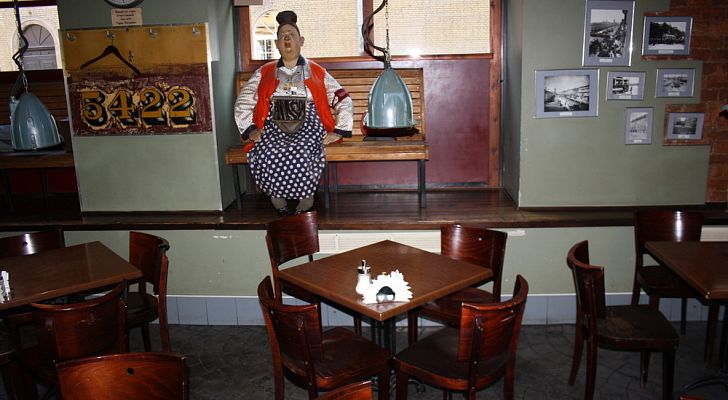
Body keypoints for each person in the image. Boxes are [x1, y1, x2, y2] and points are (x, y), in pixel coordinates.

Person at [234, 10, 353, 216]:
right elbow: (244, 100)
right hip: (273, 124)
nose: (287, 38)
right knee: (267, 148)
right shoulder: (264, 72)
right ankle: (276, 197)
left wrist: (339, 130)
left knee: (303, 148)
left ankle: (306, 197)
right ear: (276, 43)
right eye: (282, 36)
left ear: (301, 40)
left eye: (291, 34)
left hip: (309, 124)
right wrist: (251, 129)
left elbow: (342, 98)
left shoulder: (317, 71)